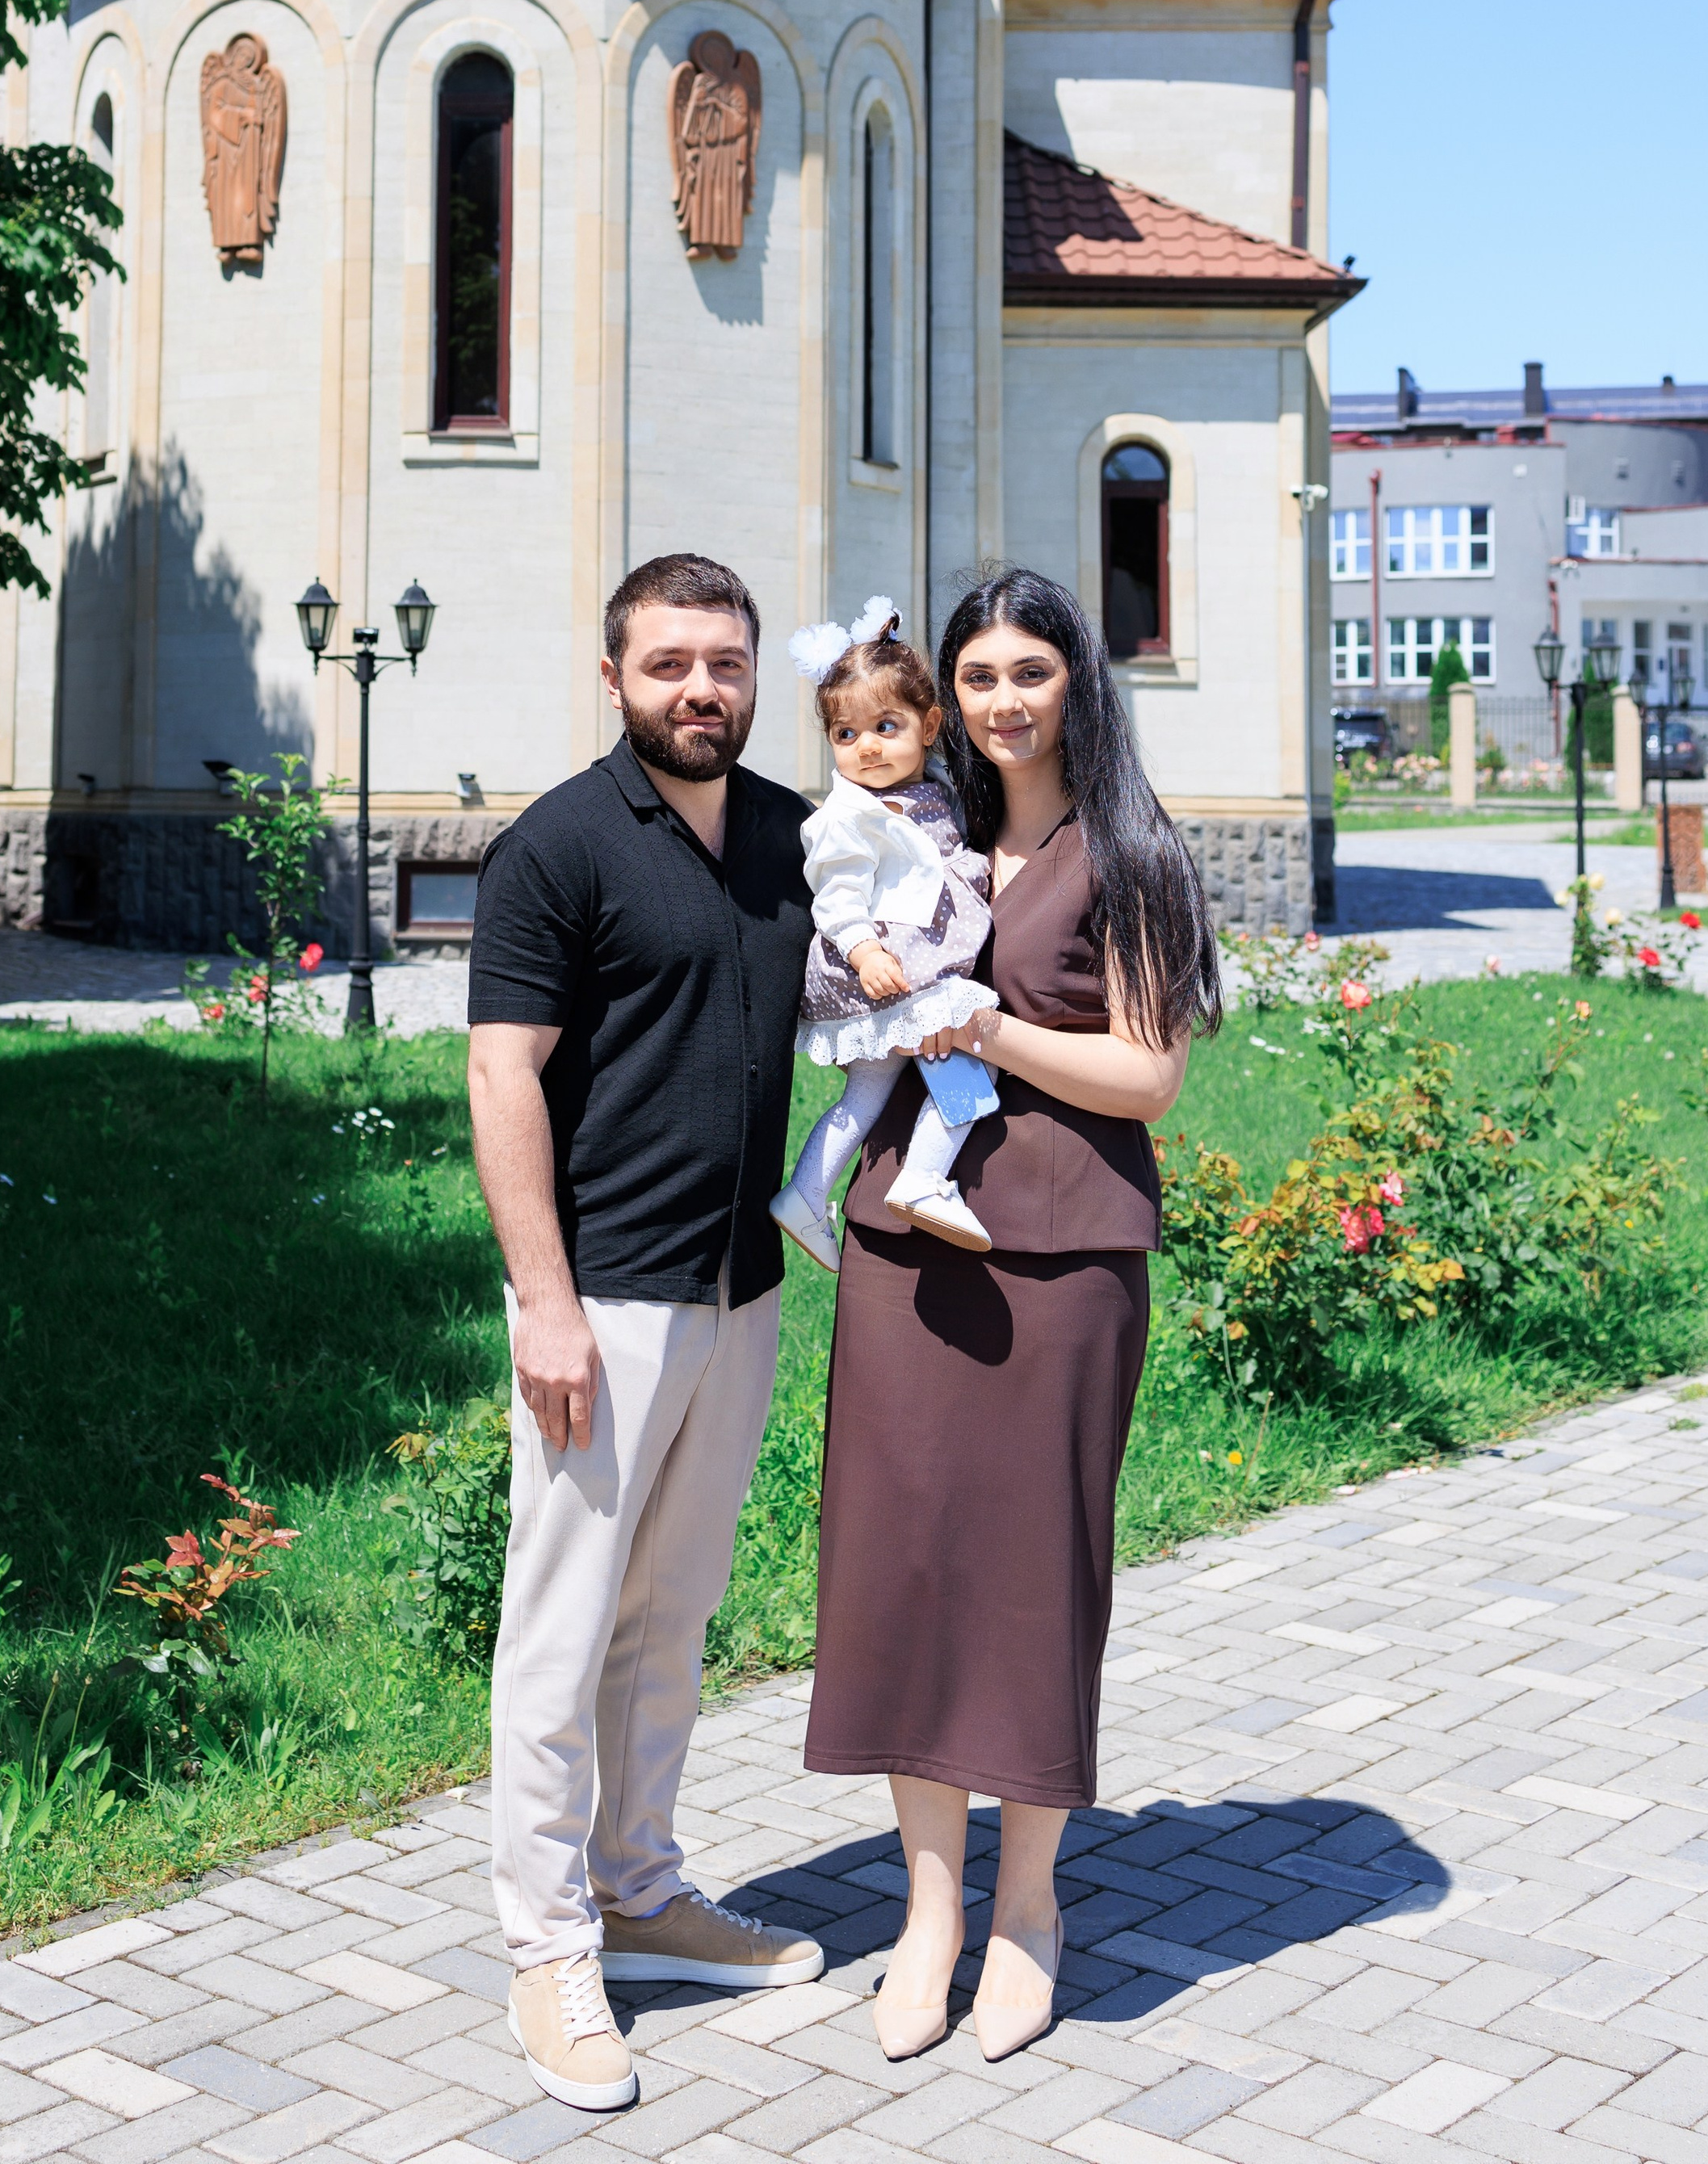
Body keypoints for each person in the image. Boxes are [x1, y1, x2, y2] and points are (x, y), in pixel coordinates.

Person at [802, 564, 1220, 2066]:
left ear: (1074, 683)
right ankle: (926, 1911)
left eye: (1027, 673)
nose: (999, 701)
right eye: (975, 677)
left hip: (1065, 1251)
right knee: (904, 1566)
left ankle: (1030, 1910)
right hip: (912, 1252)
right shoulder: (918, 823)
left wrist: (997, 1032)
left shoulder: (1131, 850)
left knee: (1036, 1578)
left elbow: (1149, 1077)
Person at [467, 553, 827, 2112]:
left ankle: (642, 1888)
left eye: (727, 664)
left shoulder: (789, 839)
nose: (703, 689)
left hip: (736, 1291)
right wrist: (542, 1302)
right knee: (559, 1632)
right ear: (613, 677)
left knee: (671, 1616)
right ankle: (549, 1950)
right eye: (671, 663)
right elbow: (501, 1079)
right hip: (599, 1301)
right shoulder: (554, 848)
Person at [771, 598, 1001, 1267]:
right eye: (846, 735)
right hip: (890, 972)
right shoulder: (848, 816)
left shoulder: (929, 790)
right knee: (973, 1064)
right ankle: (926, 1176)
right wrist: (864, 949)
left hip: (902, 971)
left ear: (930, 726)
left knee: (865, 1093)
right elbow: (837, 895)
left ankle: (806, 1197)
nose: (866, 746)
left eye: (885, 726)